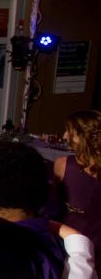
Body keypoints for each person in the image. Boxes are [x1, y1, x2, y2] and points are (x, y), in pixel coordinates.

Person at [55, 109, 101, 258]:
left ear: (78, 135)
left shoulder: (63, 164)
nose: (64, 136)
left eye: (68, 131)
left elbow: (55, 202)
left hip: (69, 237)